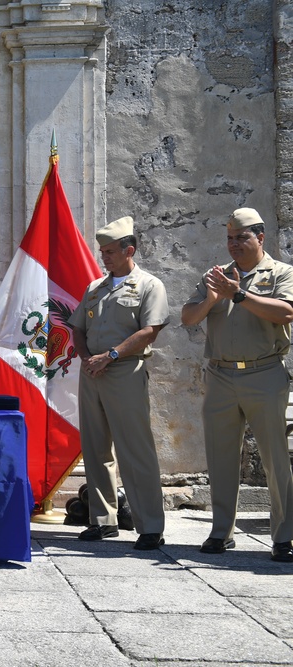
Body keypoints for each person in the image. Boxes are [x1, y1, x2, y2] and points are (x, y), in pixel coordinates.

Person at [180, 207, 293, 562]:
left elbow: (286, 312)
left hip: (264, 373)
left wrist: (239, 294)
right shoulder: (215, 276)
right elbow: (188, 318)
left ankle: (284, 537)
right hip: (221, 375)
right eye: (229, 238)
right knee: (220, 457)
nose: (234, 244)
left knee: (276, 459)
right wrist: (214, 297)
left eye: (241, 237)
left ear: (260, 237)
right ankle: (221, 532)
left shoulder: (280, 272)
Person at [68, 216, 169, 550]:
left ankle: (150, 525)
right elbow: (77, 328)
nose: (104, 257)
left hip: (124, 371)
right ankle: (103, 519)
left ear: (130, 249)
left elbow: (149, 330)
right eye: (102, 252)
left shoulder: (149, 286)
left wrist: (109, 356)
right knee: (95, 449)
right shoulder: (95, 289)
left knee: (135, 449)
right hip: (92, 372)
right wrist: (86, 358)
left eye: (110, 251)